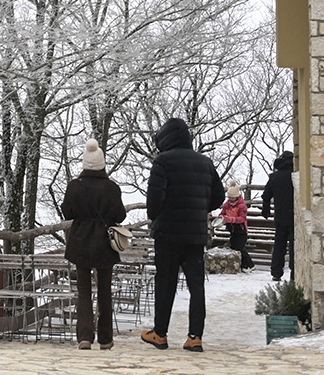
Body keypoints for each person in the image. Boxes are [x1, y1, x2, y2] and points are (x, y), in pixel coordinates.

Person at [141, 118, 224, 353]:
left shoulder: (163, 162)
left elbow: (153, 202)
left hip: (167, 234)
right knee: (196, 286)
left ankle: (160, 333)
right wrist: (199, 209)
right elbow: (218, 197)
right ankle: (195, 337)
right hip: (195, 235)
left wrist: (158, 215)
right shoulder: (204, 162)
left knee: (165, 283)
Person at [60, 139, 127, 350]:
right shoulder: (112, 188)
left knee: (83, 290)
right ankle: (105, 337)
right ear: (102, 164)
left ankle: (84, 336)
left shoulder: (75, 186)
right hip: (104, 244)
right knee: (105, 290)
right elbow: (120, 216)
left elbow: (68, 213)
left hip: (80, 241)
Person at [261, 151, 295, 282]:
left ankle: (276, 272)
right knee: (294, 246)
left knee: (279, 245)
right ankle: (294, 272)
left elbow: (266, 195)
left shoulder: (274, 177)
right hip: (294, 216)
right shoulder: (296, 176)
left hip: (280, 216)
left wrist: (266, 210)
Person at [219, 180, 255, 272]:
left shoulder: (242, 206)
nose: (231, 199)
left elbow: (242, 218)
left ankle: (249, 265)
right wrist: (221, 218)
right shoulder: (227, 205)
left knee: (240, 248)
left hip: (241, 230)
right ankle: (243, 265)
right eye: (229, 197)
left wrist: (231, 219)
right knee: (234, 246)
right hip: (232, 230)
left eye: (232, 198)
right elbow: (222, 213)